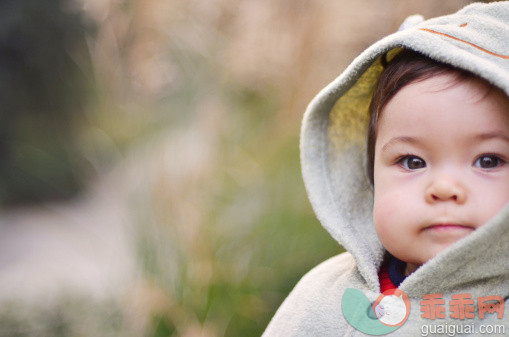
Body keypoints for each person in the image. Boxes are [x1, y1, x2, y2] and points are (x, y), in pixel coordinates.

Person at [262, 2, 509, 335]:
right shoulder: (325, 297)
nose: (445, 187)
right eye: (412, 162)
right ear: (370, 176)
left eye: (489, 161)